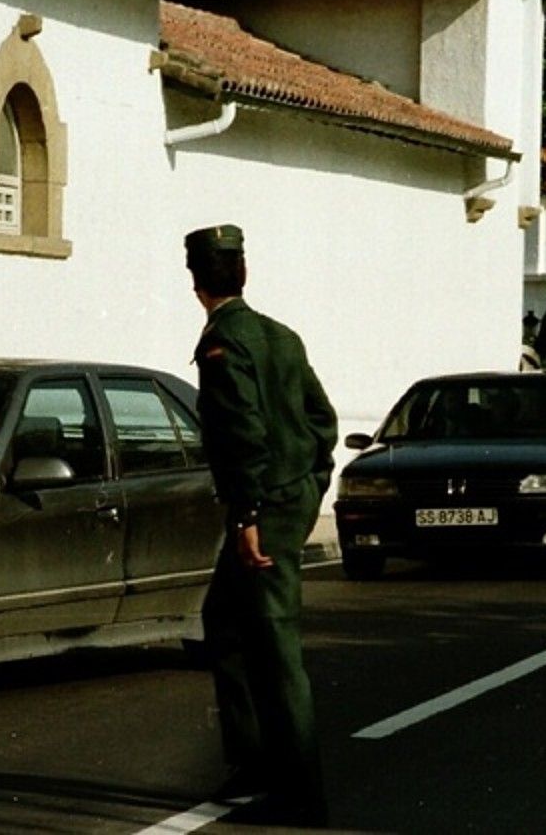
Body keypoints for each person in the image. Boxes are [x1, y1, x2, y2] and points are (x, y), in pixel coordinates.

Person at [185, 223, 338, 828]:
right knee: (224, 619)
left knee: (274, 649)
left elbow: (241, 432)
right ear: (242, 272)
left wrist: (251, 515)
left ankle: (299, 792)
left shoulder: (225, 343)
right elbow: (322, 423)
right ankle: (252, 762)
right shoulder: (281, 336)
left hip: (261, 509)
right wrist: (308, 494)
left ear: (196, 279)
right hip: (285, 500)